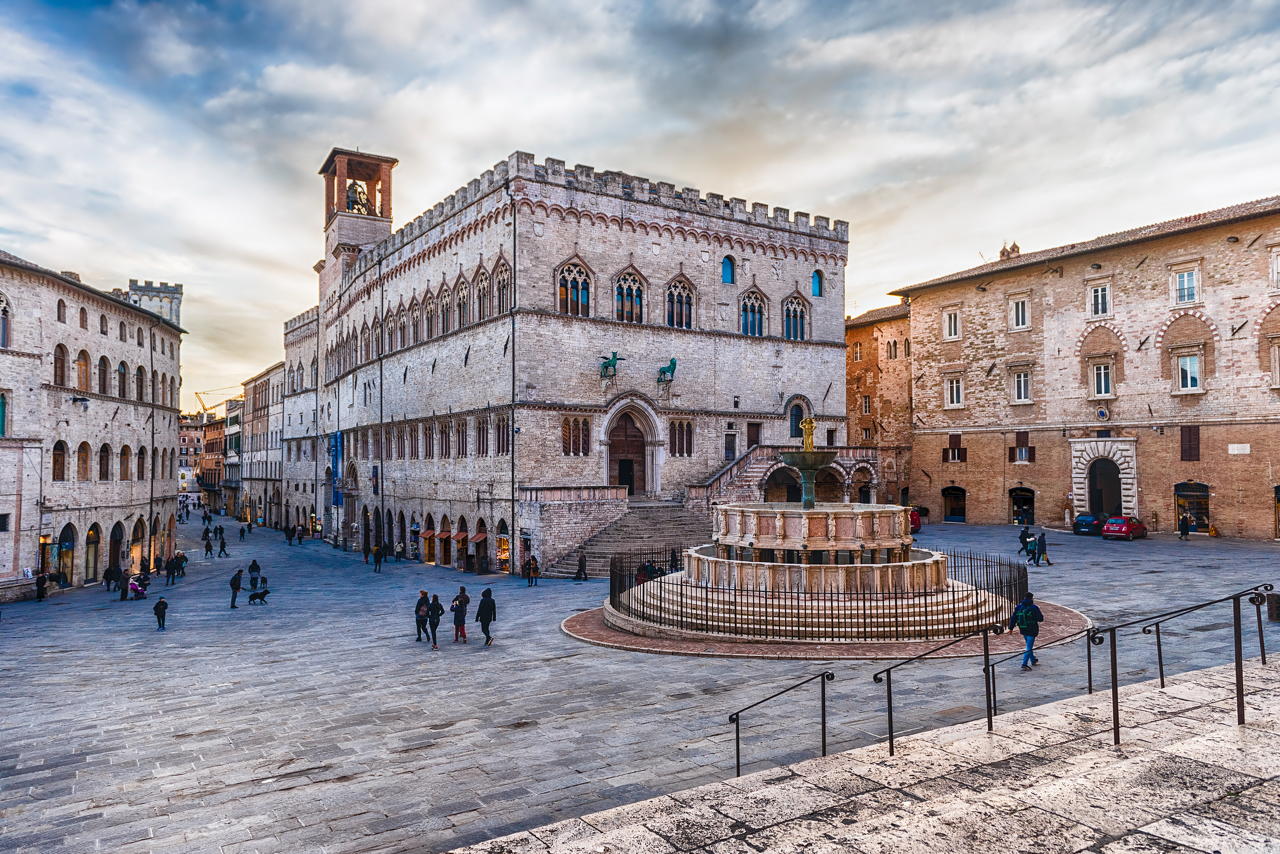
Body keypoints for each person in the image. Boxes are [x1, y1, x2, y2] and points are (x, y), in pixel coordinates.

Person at [1010, 592, 1044, 670]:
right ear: (1031, 598)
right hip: (1032, 629)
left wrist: (1011, 628)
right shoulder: (1034, 607)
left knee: (1029, 644)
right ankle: (1024, 664)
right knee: (1028, 646)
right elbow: (1040, 618)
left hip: (1023, 628)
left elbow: (1013, 617)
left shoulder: (1018, 607)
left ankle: (1033, 660)